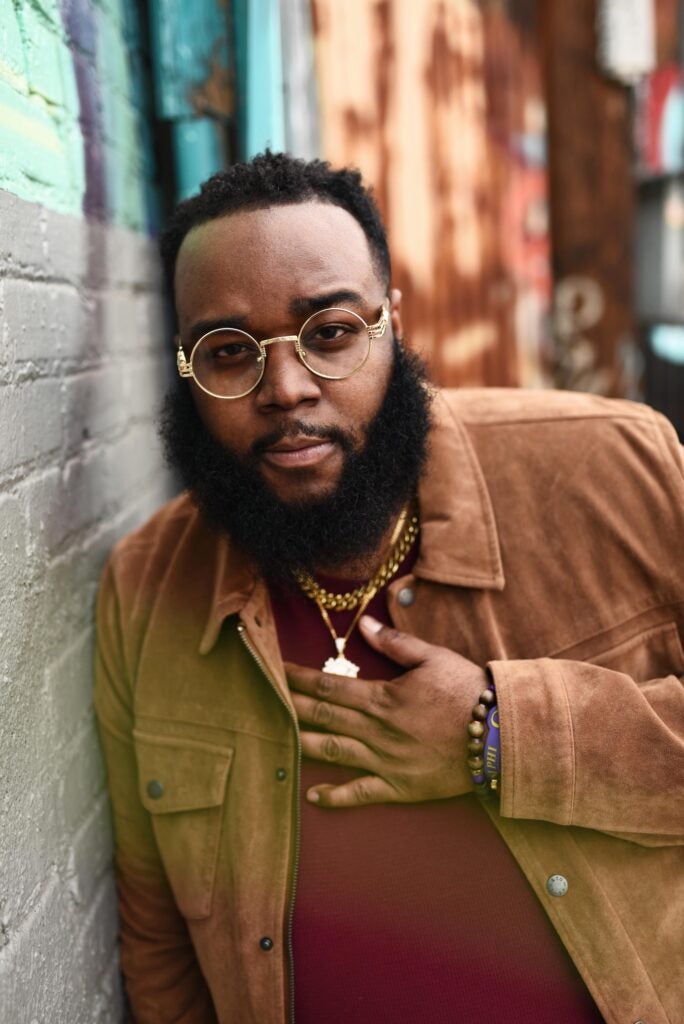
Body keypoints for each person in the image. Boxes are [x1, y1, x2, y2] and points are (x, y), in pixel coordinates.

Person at [94, 151, 684, 1024]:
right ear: (186, 370)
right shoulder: (147, 591)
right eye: (228, 354)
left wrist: (499, 734)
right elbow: (157, 942)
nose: (286, 388)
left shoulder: (616, 467)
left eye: (330, 333)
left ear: (390, 325)